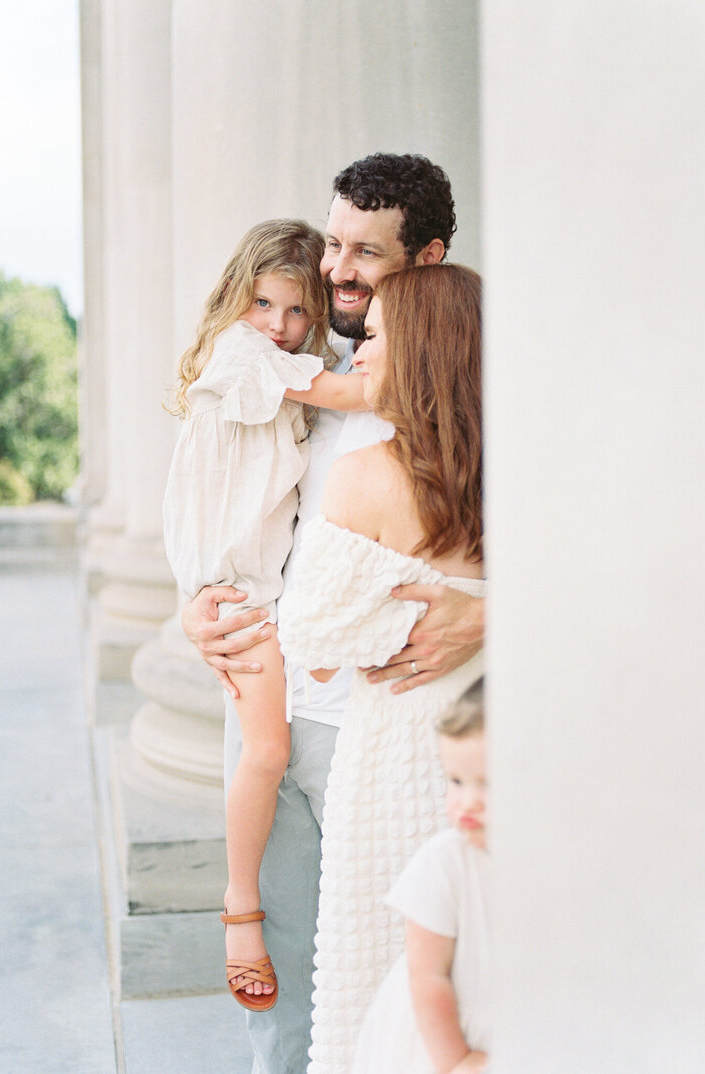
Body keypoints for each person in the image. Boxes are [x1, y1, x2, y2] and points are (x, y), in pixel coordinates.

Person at [180, 154, 485, 1073]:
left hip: (398, 740)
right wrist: (196, 604)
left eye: (367, 253)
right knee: (285, 1007)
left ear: (428, 258)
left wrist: (495, 614)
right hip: (283, 722)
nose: (337, 270)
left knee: (405, 984)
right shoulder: (293, 373)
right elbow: (223, 508)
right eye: (335, 245)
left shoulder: (471, 390)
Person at [277, 262, 485, 1072]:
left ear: (427, 352)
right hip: (495, 745)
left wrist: (387, 616)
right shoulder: (523, 475)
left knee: (382, 967)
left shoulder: (365, 476)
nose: (359, 350)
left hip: (399, 751)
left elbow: (315, 633)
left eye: (380, 336)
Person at [162, 219, 366, 1012]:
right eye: (263, 303)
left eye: (295, 312)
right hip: (238, 587)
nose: (278, 325)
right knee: (268, 748)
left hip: (261, 584)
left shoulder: (278, 360)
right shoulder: (246, 358)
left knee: (268, 747)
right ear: (233, 298)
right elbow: (350, 389)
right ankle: (239, 911)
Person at [352, 678, 491, 1074]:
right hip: (448, 1037)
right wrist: (457, 1061)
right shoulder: (446, 863)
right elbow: (427, 977)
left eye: (488, 784)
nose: (468, 802)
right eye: (456, 781)